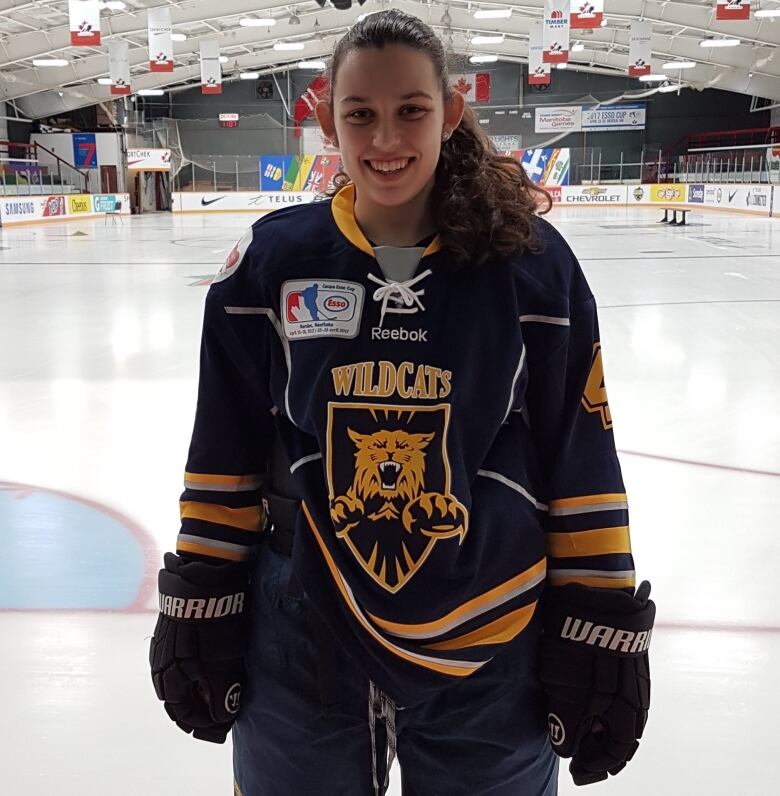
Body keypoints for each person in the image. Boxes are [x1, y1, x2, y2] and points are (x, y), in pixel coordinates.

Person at [149, 10, 654, 796]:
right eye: (361, 115)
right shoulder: (268, 265)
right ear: (328, 122)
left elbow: (578, 453)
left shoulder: (533, 269)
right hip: (301, 632)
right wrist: (205, 588)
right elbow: (226, 447)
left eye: (410, 110)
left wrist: (599, 613)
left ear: (451, 111)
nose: (385, 139)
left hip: (491, 639)